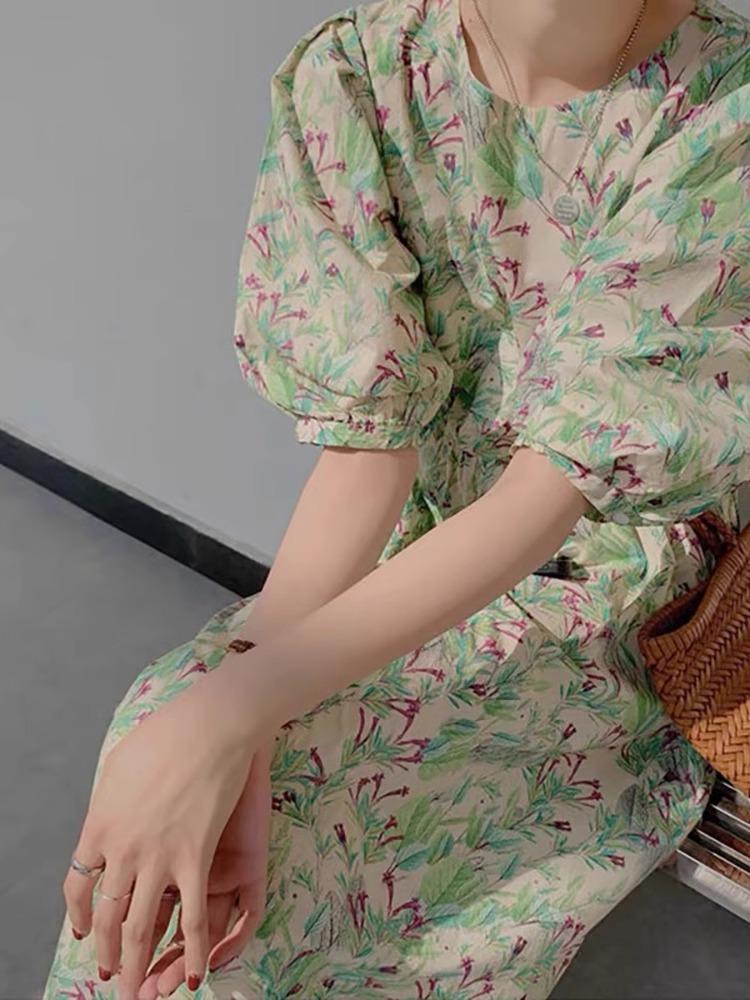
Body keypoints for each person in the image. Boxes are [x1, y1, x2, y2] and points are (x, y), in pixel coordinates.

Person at [43, 0, 750, 997]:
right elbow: (370, 457)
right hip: (415, 552)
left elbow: (548, 494)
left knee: (291, 793)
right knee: (167, 727)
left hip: (614, 613)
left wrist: (244, 705)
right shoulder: (360, 73)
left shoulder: (724, 106)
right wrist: (240, 696)